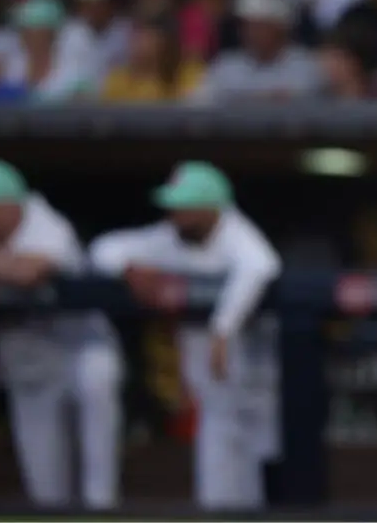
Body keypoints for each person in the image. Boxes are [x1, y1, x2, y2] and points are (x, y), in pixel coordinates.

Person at [88, 161, 281, 511]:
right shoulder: (168, 237)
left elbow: (261, 265)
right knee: (219, 433)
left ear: (211, 207)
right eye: (174, 205)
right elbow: (104, 248)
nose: (175, 213)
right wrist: (129, 268)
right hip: (207, 362)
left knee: (256, 449)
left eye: (186, 206)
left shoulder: (237, 233)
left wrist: (222, 329)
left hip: (256, 363)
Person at [0, 159, 122, 508]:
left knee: (97, 441)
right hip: (28, 362)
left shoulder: (44, 222)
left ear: (9, 205)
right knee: (45, 487)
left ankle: (102, 511)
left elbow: (30, 272)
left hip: (81, 350)